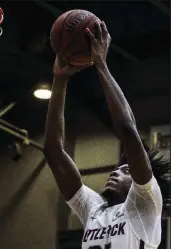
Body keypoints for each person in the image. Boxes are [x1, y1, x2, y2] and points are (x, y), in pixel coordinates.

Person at [43, 21, 170, 249]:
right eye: (119, 168)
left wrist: (100, 63)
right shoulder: (93, 209)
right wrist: (60, 80)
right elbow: (53, 151)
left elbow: (128, 131)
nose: (115, 171)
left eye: (126, 170)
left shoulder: (145, 206)